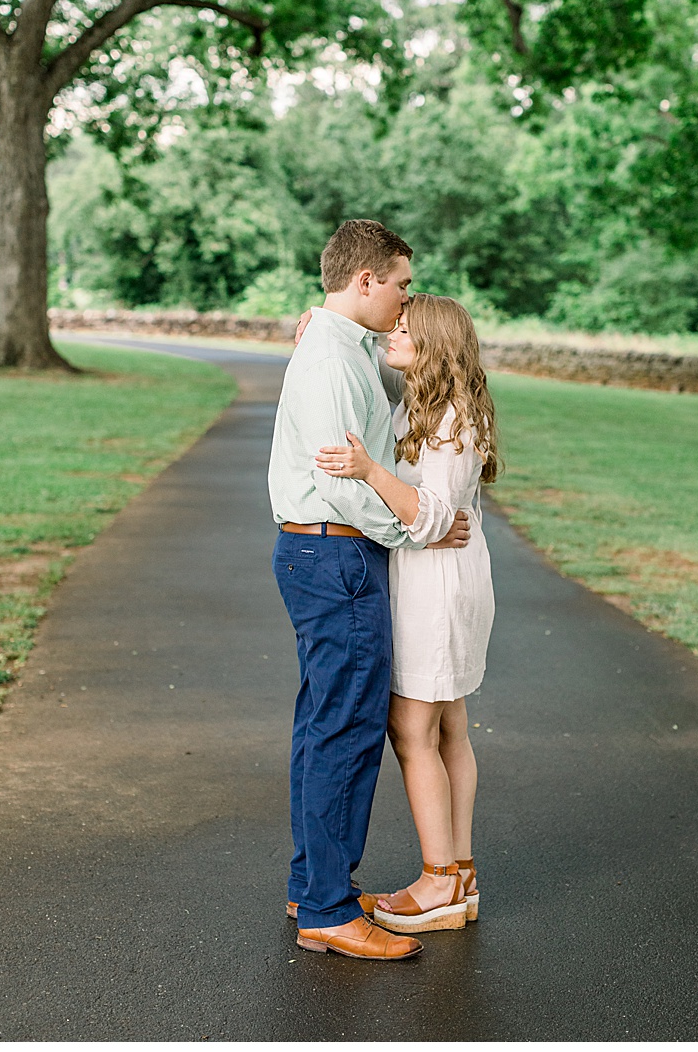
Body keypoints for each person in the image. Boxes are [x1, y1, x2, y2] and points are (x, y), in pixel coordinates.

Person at [268, 219, 471, 962]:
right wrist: (415, 532)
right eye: (401, 284)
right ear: (366, 281)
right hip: (336, 553)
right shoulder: (330, 359)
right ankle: (326, 909)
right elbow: (341, 485)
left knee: (325, 724)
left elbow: (396, 396)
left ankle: (313, 886)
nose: (406, 298)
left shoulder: (342, 347)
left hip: (326, 553)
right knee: (346, 732)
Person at [310, 293, 500, 935]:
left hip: (435, 590)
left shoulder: (448, 421)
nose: (392, 330)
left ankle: (438, 881)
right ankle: (460, 873)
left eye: (405, 328)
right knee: (449, 730)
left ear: (433, 345)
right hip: (444, 580)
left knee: (412, 730)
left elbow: (437, 516)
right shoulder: (431, 400)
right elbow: (367, 349)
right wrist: (322, 322)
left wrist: (369, 470)